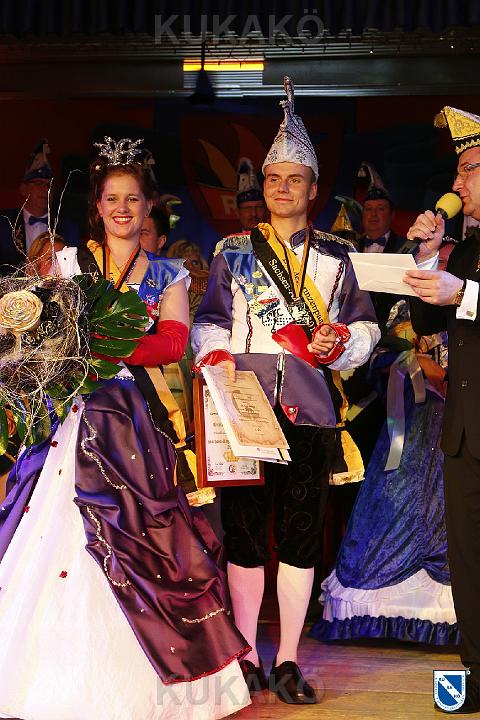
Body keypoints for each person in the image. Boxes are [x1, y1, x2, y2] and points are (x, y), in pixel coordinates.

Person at [0, 137, 250, 720]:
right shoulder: (67, 263)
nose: (122, 209)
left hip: (130, 420)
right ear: (97, 206)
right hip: (68, 417)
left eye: (132, 199)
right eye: (112, 198)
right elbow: (34, 332)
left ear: (149, 206)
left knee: (147, 537)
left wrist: (111, 344)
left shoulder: (167, 272)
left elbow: (175, 341)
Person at [191, 77, 380, 705]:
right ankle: (246, 654)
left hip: (312, 412)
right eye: (273, 178)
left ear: (312, 189)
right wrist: (215, 354)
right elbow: (209, 322)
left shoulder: (337, 257)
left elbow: (366, 328)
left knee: (301, 534)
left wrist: (340, 341)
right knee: (243, 534)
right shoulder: (233, 253)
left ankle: (290, 659)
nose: (280, 188)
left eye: (293, 179)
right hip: (245, 409)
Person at [312, 297, 458, 646]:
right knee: (396, 501)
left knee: (450, 507)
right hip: (409, 424)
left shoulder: (468, 300)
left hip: (458, 421)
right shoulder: (404, 307)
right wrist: (412, 362)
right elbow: (376, 356)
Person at [404, 105, 480, 714]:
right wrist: (430, 258)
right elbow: (429, 321)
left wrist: (468, 294)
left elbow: (465, 302)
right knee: (469, 559)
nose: (457, 183)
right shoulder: (469, 248)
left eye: (470, 169)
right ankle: (476, 670)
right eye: (457, 172)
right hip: (465, 428)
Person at [0, 139, 80, 274]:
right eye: (38, 184)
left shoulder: (69, 227)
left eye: (49, 185)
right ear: (23, 189)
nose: (45, 189)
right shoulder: (4, 223)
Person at [236, 157, 268, 232]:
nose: (253, 214)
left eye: (259, 207)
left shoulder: (278, 239)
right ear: (237, 212)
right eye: (247, 208)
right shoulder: (226, 239)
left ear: (266, 210)